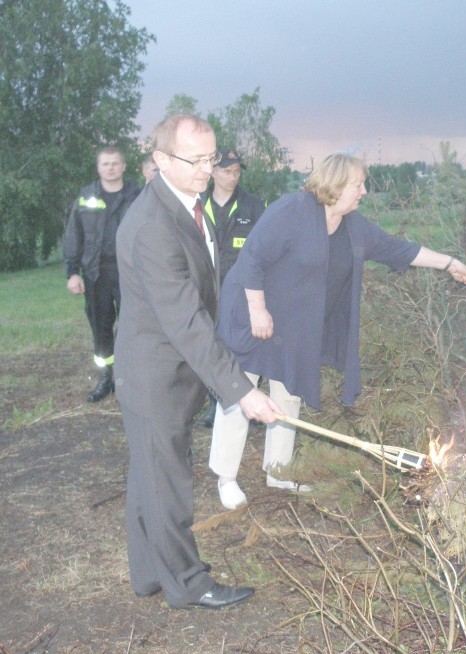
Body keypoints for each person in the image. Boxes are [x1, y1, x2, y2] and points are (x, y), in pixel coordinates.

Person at [209, 152, 466, 510]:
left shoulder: (353, 226)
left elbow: (398, 249)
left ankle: (277, 470)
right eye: (358, 184)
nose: (363, 191)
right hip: (252, 313)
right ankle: (226, 477)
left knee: (288, 393)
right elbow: (252, 258)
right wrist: (258, 310)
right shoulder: (292, 211)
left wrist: (449, 262)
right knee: (241, 390)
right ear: (335, 185)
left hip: (294, 328)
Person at [114, 114, 282, 610]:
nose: (208, 169)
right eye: (196, 160)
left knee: (150, 478)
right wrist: (243, 391)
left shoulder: (190, 202)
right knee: (167, 484)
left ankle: (148, 575)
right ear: (161, 160)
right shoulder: (152, 227)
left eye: (212, 158)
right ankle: (189, 582)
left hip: (175, 370)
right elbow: (186, 320)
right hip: (155, 376)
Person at [63, 146, 141, 402]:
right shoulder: (86, 198)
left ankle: (126, 377)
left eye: (115, 163)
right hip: (96, 274)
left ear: (123, 166)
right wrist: (72, 273)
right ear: (98, 168)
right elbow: (74, 237)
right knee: (101, 328)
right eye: (105, 164)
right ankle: (104, 378)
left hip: (130, 273)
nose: (110, 168)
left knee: (132, 326)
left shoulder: (137, 196)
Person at [197, 148, 267, 428]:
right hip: (207, 290)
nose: (233, 177)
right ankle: (218, 403)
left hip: (243, 293)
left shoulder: (253, 205)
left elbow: (264, 249)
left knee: (246, 349)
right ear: (213, 172)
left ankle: (250, 401)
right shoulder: (197, 205)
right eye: (227, 171)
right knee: (212, 347)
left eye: (237, 171)